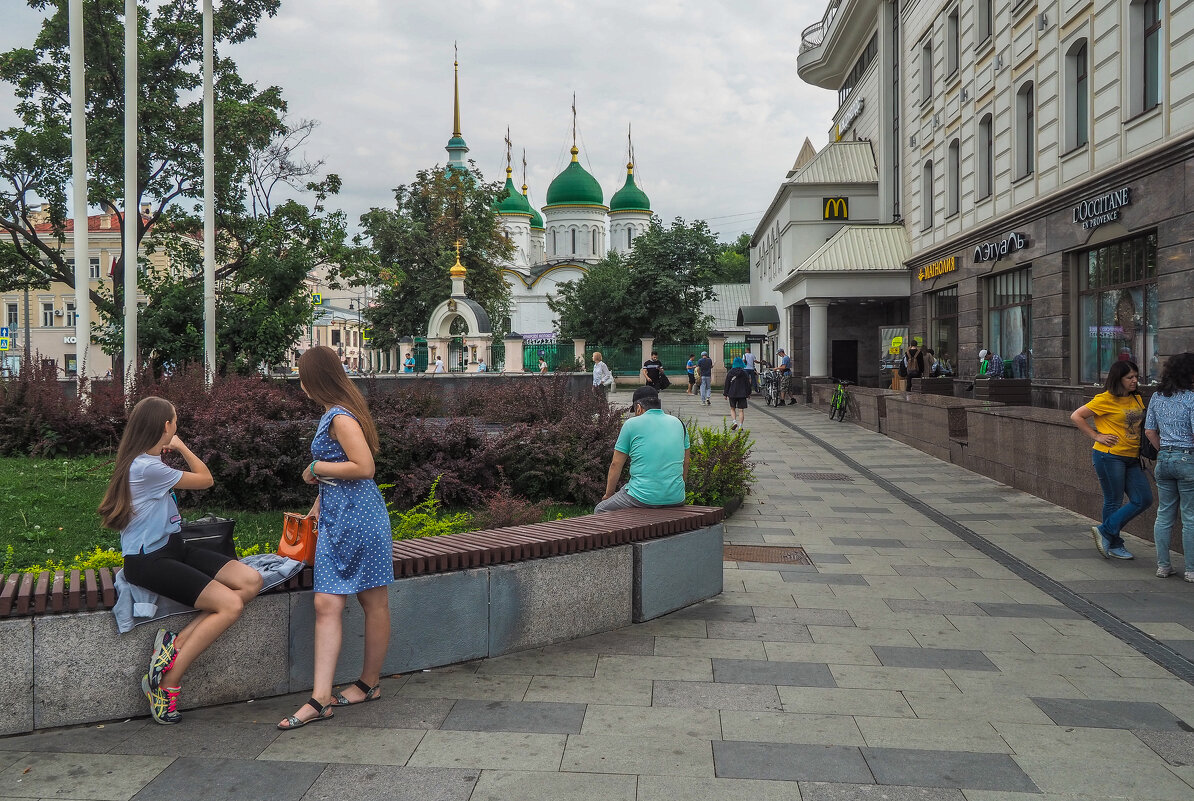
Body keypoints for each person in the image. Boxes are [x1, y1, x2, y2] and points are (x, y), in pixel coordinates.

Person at [98, 396, 263, 725]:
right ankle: (163, 683)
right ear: (166, 426)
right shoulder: (147, 468)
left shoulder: (146, 461)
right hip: (149, 561)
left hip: (174, 548)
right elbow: (206, 479)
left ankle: (173, 645)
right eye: (175, 421)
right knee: (230, 605)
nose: (178, 425)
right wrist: (183, 447)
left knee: (251, 581)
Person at [280, 345, 393, 730]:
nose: (300, 384)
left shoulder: (340, 417)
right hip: (336, 517)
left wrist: (315, 466)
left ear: (315, 380)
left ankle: (369, 683)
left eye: (302, 376)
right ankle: (320, 697)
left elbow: (364, 467)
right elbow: (339, 475)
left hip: (358, 518)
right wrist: (315, 506)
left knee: (373, 601)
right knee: (327, 603)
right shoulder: (335, 414)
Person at [1070, 360, 1153, 561]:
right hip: (1109, 456)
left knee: (1144, 499)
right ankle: (1114, 543)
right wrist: (1097, 436)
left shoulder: (1137, 398)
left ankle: (1105, 531)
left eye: (1136, 376)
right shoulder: (1104, 399)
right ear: (1118, 379)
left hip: (1132, 457)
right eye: (1129, 377)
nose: (1134, 380)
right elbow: (1076, 416)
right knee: (1113, 501)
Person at [595, 385, 689, 513]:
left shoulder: (631, 424)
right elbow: (686, 462)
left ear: (638, 408)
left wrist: (608, 495)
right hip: (676, 497)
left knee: (600, 510)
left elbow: (615, 464)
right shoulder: (679, 423)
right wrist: (674, 491)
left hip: (641, 497)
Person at [1144, 352, 1194, 582]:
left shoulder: (1157, 397)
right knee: (1190, 518)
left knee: (1164, 515)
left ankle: (1163, 566)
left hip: (1163, 460)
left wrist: (1163, 449)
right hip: (1187, 460)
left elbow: (1149, 431)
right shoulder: (1192, 398)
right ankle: (1191, 570)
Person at [723, 356, 750, 431]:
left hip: (732, 393)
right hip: (742, 393)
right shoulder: (744, 373)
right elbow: (747, 384)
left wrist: (725, 394)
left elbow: (727, 384)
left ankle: (734, 422)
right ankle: (741, 425)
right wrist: (748, 393)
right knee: (741, 410)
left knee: (732, 408)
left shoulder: (730, 372)